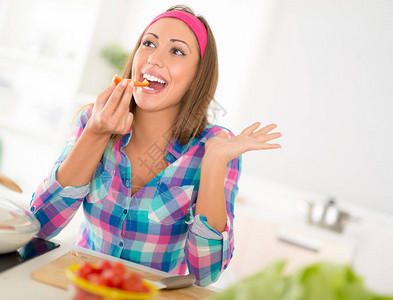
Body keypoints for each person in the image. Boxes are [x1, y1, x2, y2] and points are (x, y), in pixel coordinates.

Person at [30, 5, 282, 286]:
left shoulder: (217, 147)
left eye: (177, 51)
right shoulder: (93, 119)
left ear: (198, 76)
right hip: (85, 288)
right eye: (148, 43)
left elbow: (206, 274)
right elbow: (40, 225)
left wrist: (213, 165)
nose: (154, 59)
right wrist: (96, 133)